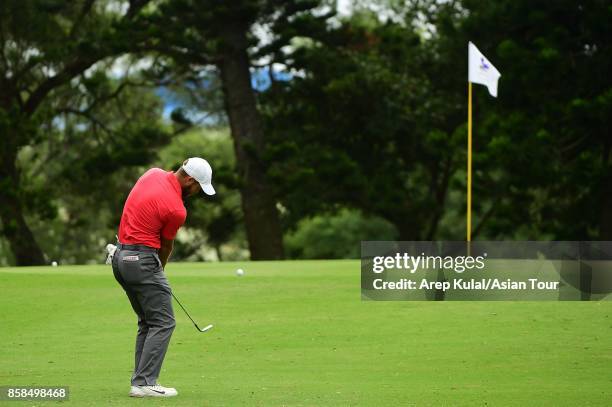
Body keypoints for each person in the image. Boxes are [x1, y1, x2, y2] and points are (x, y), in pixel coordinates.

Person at [111, 157, 215, 398]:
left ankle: (140, 380)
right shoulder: (177, 209)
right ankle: (145, 383)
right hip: (143, 262)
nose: (197, 192)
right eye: (198, 187)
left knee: (148, 321)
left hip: (119, 258)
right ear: (189, 180)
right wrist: (158, 272)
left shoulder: (151, 173)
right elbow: (165, 247)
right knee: (164, 322)